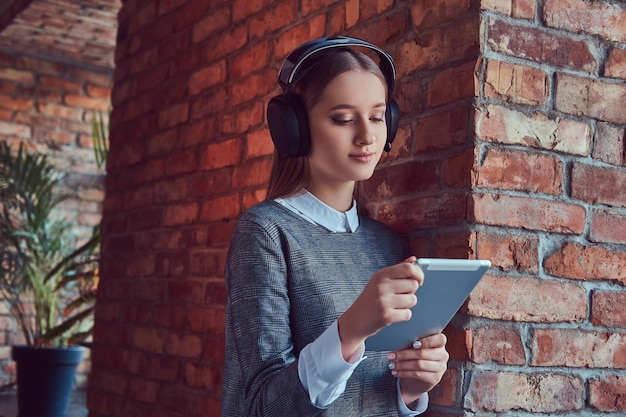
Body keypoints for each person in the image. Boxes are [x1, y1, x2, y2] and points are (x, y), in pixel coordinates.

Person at [221, 36, 449, 417]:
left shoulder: (389, 246)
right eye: (343, 119)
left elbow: (368, 398)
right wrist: (351, 329)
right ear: (294, 129)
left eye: (377, 117)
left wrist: (409, 391)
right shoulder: (265, 233)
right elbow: (262, 406)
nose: (367, 136)